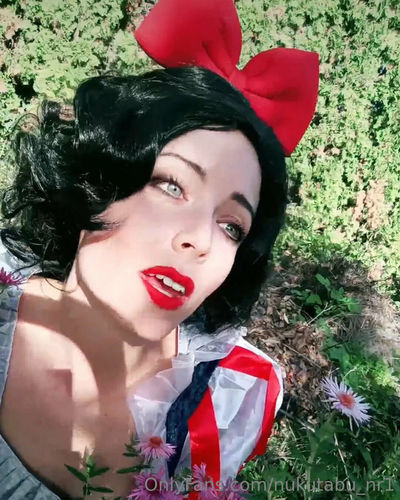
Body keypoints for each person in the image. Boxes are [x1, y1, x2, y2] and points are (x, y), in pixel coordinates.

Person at [0, 0, 319, 498]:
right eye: (172, 186)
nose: (202, 240)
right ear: (96, 180)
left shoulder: (228, 402)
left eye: (232, 226)